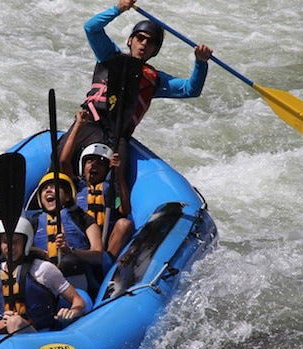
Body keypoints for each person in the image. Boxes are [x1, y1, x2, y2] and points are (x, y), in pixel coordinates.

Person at [58, 0, 213, 215]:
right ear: (130, 40)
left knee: (116, 182)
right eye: (140, 38)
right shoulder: (108, 56)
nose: (143, 44)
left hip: (118, 135)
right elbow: (91, 28)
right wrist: (118, 9)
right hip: (88, 123)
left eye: (150, 42)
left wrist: (201, 62)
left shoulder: (156, 79)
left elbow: (190, 89)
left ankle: (106, 221)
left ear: (155, 50)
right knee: (58, 161)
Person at [0, 218, 86, 334]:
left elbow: (79, 301)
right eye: (6, 241)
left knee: (14, 322)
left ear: (26, 243)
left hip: (39, 335)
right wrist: (1, 324)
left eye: (16, 241)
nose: (10, 247)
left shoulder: (43, 269)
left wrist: (73, 311)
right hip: (1, 340)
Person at [60, 134, 133, 259]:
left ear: (106, 171)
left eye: (100, 163)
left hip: (104, 243)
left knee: (124, 223)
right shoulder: (76, 186)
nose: (94, 165)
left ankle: (107, 264)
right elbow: (63, 161)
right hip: (79, 236)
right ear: (83, 167)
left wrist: (119, 175)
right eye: (89, 161)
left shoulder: (111, 189)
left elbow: (124, 210)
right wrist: (78, 124)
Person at [29, 172, 103, 291]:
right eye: (45, 189)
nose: (48, 190)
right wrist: (39, 253)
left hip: (78, 279)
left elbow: (97, 256)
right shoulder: (34, 221)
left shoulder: (82, 218)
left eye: (54, 187)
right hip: (46, 282)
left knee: (70, 262)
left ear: (68, 196)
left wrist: (71, 251)